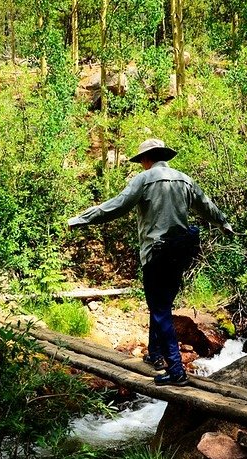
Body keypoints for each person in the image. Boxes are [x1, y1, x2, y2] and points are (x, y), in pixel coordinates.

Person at [68, 138, 235, 386]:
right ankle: (156, 354)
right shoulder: (184, 179)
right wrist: (223, 222)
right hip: (181, 251)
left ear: (146, 159)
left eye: (142, 161)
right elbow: (206, 205)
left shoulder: (144, 180)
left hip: (156, 253)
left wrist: (82, 218)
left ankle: (176, 370)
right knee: (162, 305)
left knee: (159, 310)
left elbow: (116, 206)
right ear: (163, 156)